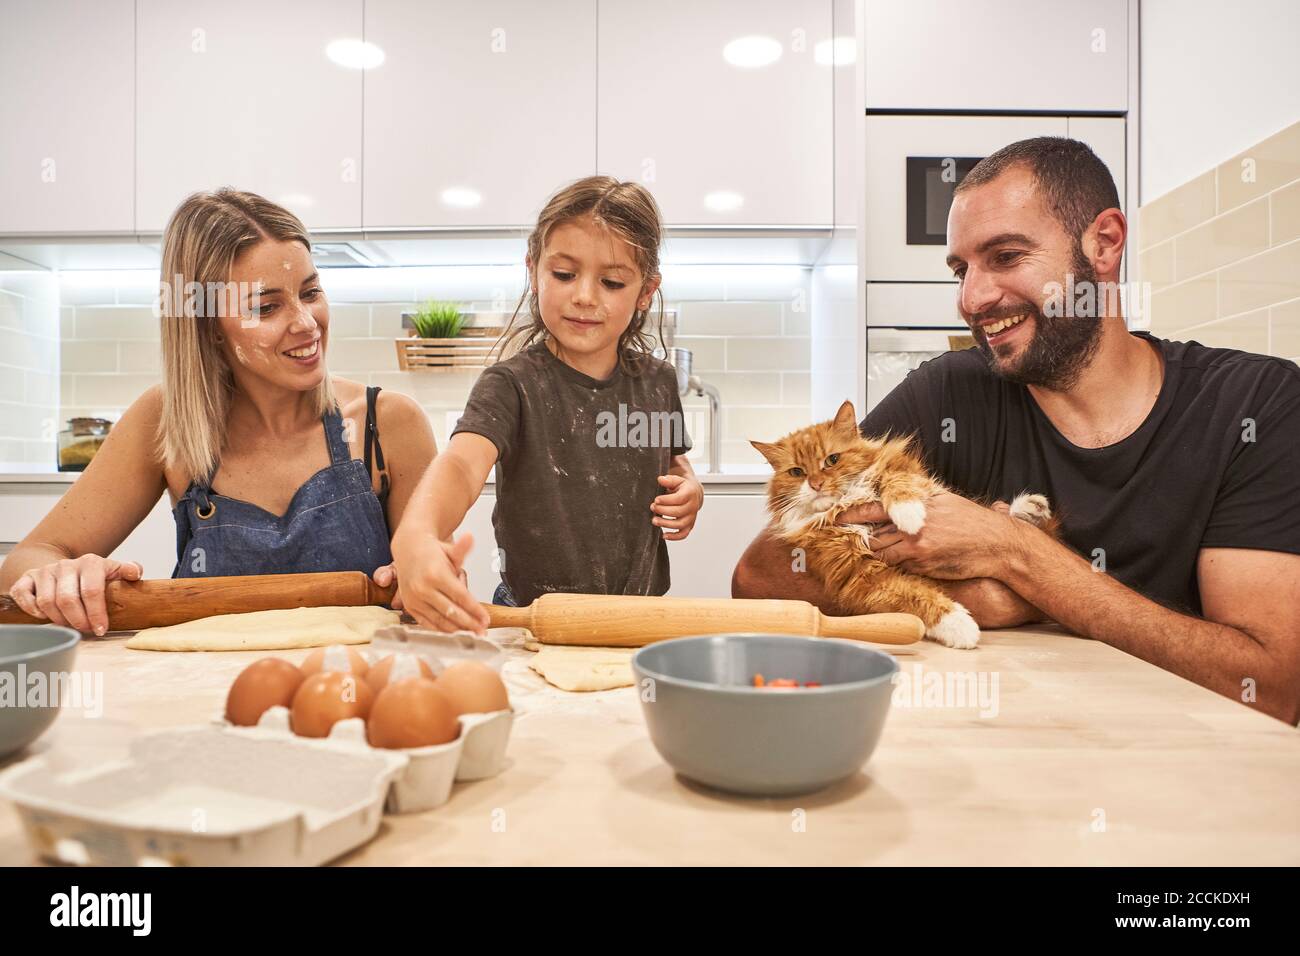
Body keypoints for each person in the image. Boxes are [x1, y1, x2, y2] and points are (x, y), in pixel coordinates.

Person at [734, 138, 1300, 724]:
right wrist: (979, 600)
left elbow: (1269, 686)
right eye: (961, 269)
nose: (971, 298)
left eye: (1005, 256)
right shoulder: (947, 392)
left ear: (1104, 244)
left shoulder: (1253, 406)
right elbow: (760, 578)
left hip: (1189, 777)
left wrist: (1015, 552)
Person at [1, 189, 435, 634]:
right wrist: (59, 576)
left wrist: (428, 583)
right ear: (207, 328)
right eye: (266, 308)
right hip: (205, 696)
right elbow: (27, 560)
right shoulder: (166, 422)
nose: (306, 323)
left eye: (311, 292)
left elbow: (435, 590)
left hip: (356, 693)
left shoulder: (389, 425)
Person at [391, 176, 704, 634]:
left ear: (644, 293)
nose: (584, 295)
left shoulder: (657, 382)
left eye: (612, 282)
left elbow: (670, 462)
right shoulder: (512, 386)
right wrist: (419, 533)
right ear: (534, 271)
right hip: (532, 617)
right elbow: (461, 465)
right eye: (564, 274)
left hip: (637, 616)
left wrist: (688, 487)